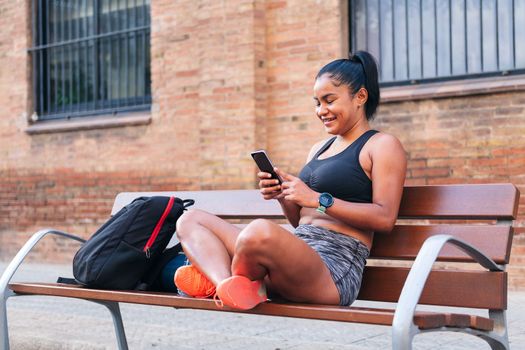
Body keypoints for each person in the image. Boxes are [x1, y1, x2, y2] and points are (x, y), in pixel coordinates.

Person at [174, 51, 407, 310]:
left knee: (258, 232)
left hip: (334, 269)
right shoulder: (319, 148)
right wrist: (285, 196)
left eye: (329, 100)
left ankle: (233, 284)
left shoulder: (382, 145)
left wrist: (318, 199)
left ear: (360, 97)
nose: (321, 111)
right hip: (297, 256)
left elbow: (385, 218)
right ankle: (226, 286)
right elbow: (301, 221)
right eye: (317, 103)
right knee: (190, 219)